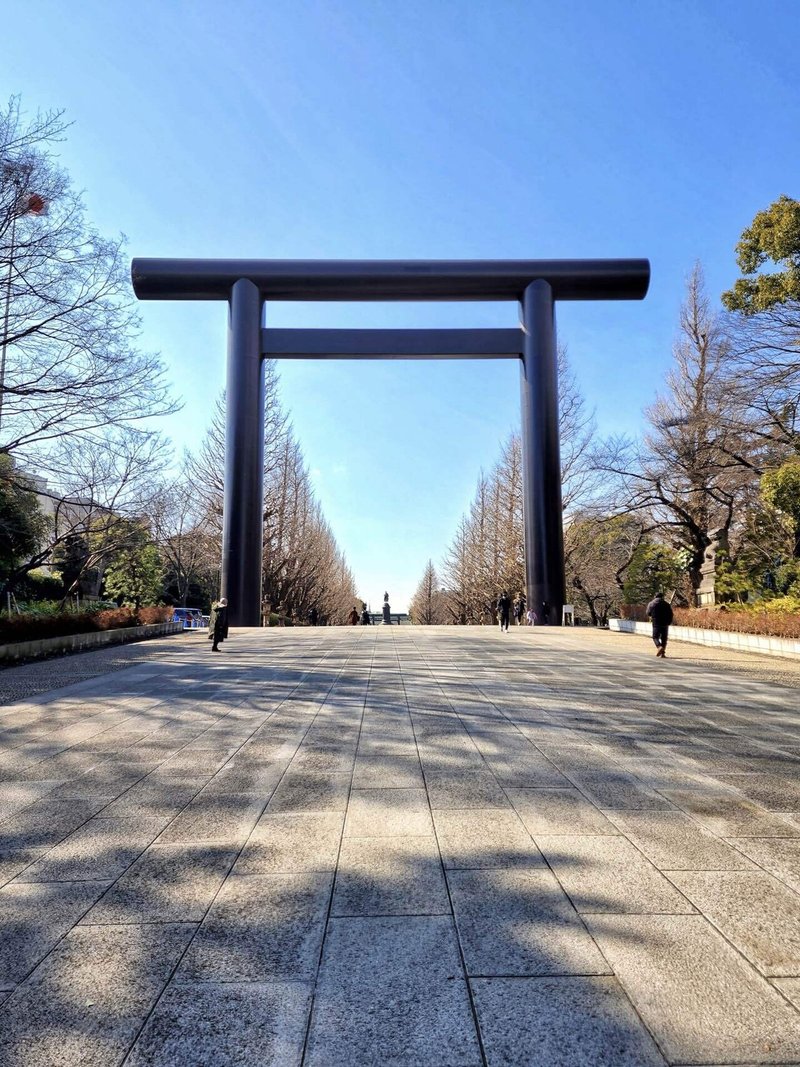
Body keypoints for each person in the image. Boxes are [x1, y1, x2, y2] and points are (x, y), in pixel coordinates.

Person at [646, 591, 674, 658]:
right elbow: (671, 614)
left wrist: (652, 616)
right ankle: (662, 653)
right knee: (664, 638)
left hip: (656, 623)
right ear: (662, 597)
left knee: (655, 637)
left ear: (655, 596)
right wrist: (669, 622)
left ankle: (659, 647)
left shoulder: (651, 604)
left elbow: (648, 613)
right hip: (665, 623)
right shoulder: (666, 604)